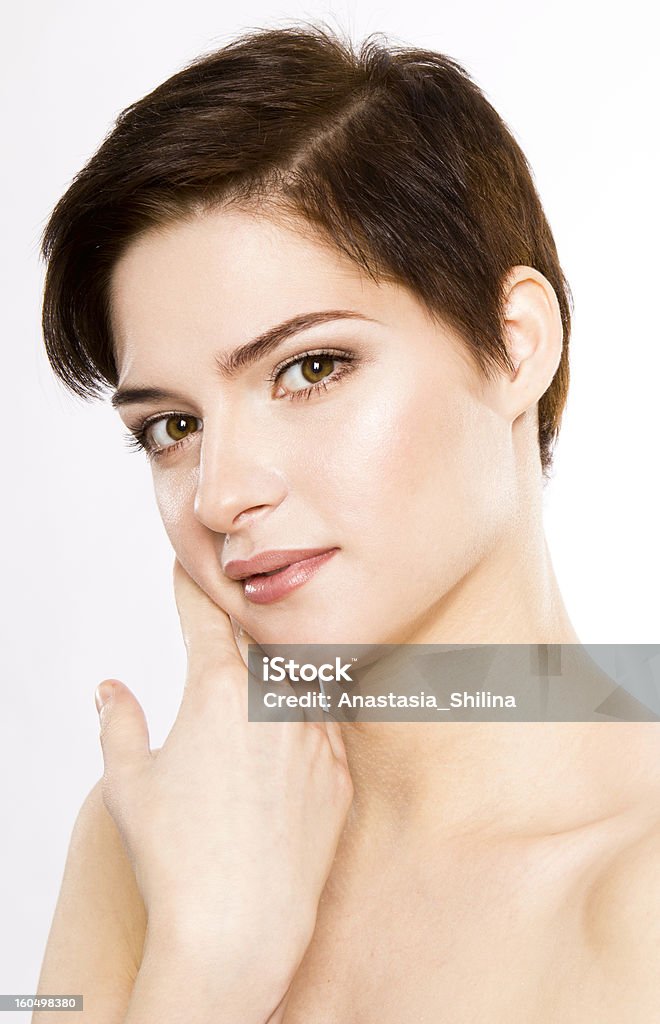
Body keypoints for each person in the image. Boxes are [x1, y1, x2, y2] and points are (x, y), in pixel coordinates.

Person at [34, 23, 660, 1023]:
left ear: (517, 344)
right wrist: (202, 968)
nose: (221, 494)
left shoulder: (641, 892)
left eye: (310, 368)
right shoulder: (144, 844)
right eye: (173, 425)